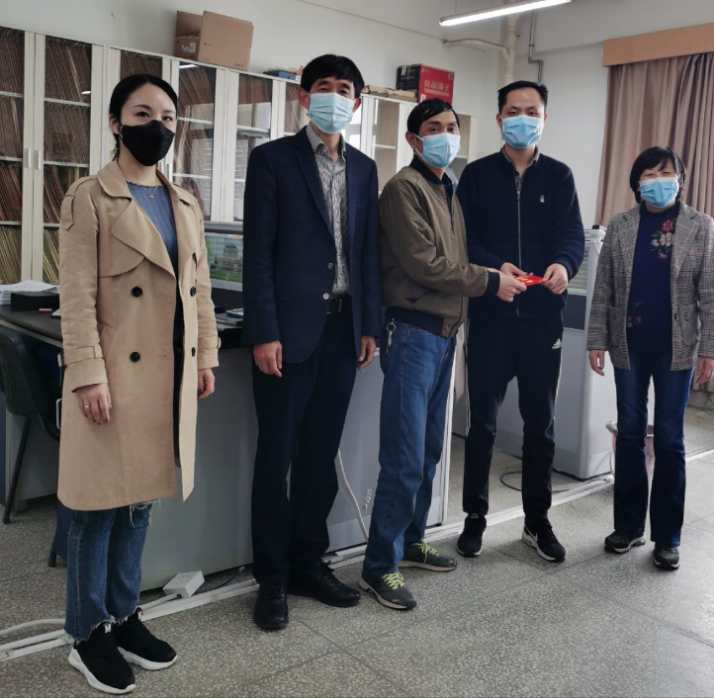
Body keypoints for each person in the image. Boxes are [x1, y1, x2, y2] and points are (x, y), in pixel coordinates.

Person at [58, 73, 219, 694]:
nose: (159, 126)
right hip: (111, 378)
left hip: (166, 377)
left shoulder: (185, 203)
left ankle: (125, 616)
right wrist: (86, 374)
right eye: (143, 113)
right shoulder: (89, 197)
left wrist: (205, 357)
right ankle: (86, 632)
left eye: (169, 117)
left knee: (139, 505)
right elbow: (75, 297)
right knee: (95, 510)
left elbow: (198, 291)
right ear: (116, 123)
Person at [360, 98, 527, 611]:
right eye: (433, 128)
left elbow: (457, 257)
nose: (445, 135)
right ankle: (379, 566)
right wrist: (490, 282)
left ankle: (411, 541)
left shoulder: (446, 188)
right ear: (413, 140)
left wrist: (494, 269)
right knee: (405, 455)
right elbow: (425, 265)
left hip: (444, 334)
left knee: (431, 448)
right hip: (412, 333)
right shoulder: (403, 190)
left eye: (451, 127)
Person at [242, 54, 382, 631]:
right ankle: (271, 577)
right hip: (289, 334)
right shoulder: (272, 160)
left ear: (357, 102)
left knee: (321, 457)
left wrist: (369, 324)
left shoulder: (365, 169)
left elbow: (367, 252)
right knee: (276, 457)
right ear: (304, 97)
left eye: (344, 89)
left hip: (343, 332)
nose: (334, 97)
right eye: (323, 87)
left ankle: (307, 562)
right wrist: (265, 331)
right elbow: (258, 254)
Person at [456, 81, 585, 561]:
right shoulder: (476, 175)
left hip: (542, 321)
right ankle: (474, 518)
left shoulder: (560, 176)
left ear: (545, 119)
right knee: (483, 426)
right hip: (491, 317)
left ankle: (537, 522)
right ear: (499, 119)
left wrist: (564, 266)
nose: (523, 119)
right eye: (513, 111)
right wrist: (495, 269)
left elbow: (572, 237)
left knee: (540, 426)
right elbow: (463, 239)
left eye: (532, 111)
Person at [587, 146, 714, 571]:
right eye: (649, 173)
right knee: (629, 433)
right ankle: (628, 527)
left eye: (666, 173)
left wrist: (710, 349)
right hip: (628, 345)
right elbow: (604, 288)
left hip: (675, 348)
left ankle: (667, 537)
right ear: (637, 182)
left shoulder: (700, 225)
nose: (658, 180)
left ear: (680, 180)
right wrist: (596, 340)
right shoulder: (621, 225)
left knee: (669, 438)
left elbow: (711, 293)